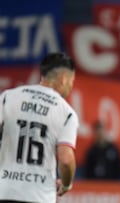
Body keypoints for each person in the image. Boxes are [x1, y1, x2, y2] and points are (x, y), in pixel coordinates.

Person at [0, 52, 79, 202]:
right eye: (71, 81)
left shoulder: (8, 97)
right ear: (63, 79)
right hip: (39, 195)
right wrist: (66, 184)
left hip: (5, 191)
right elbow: (66, 160)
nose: (70, 86)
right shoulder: (66, 113)